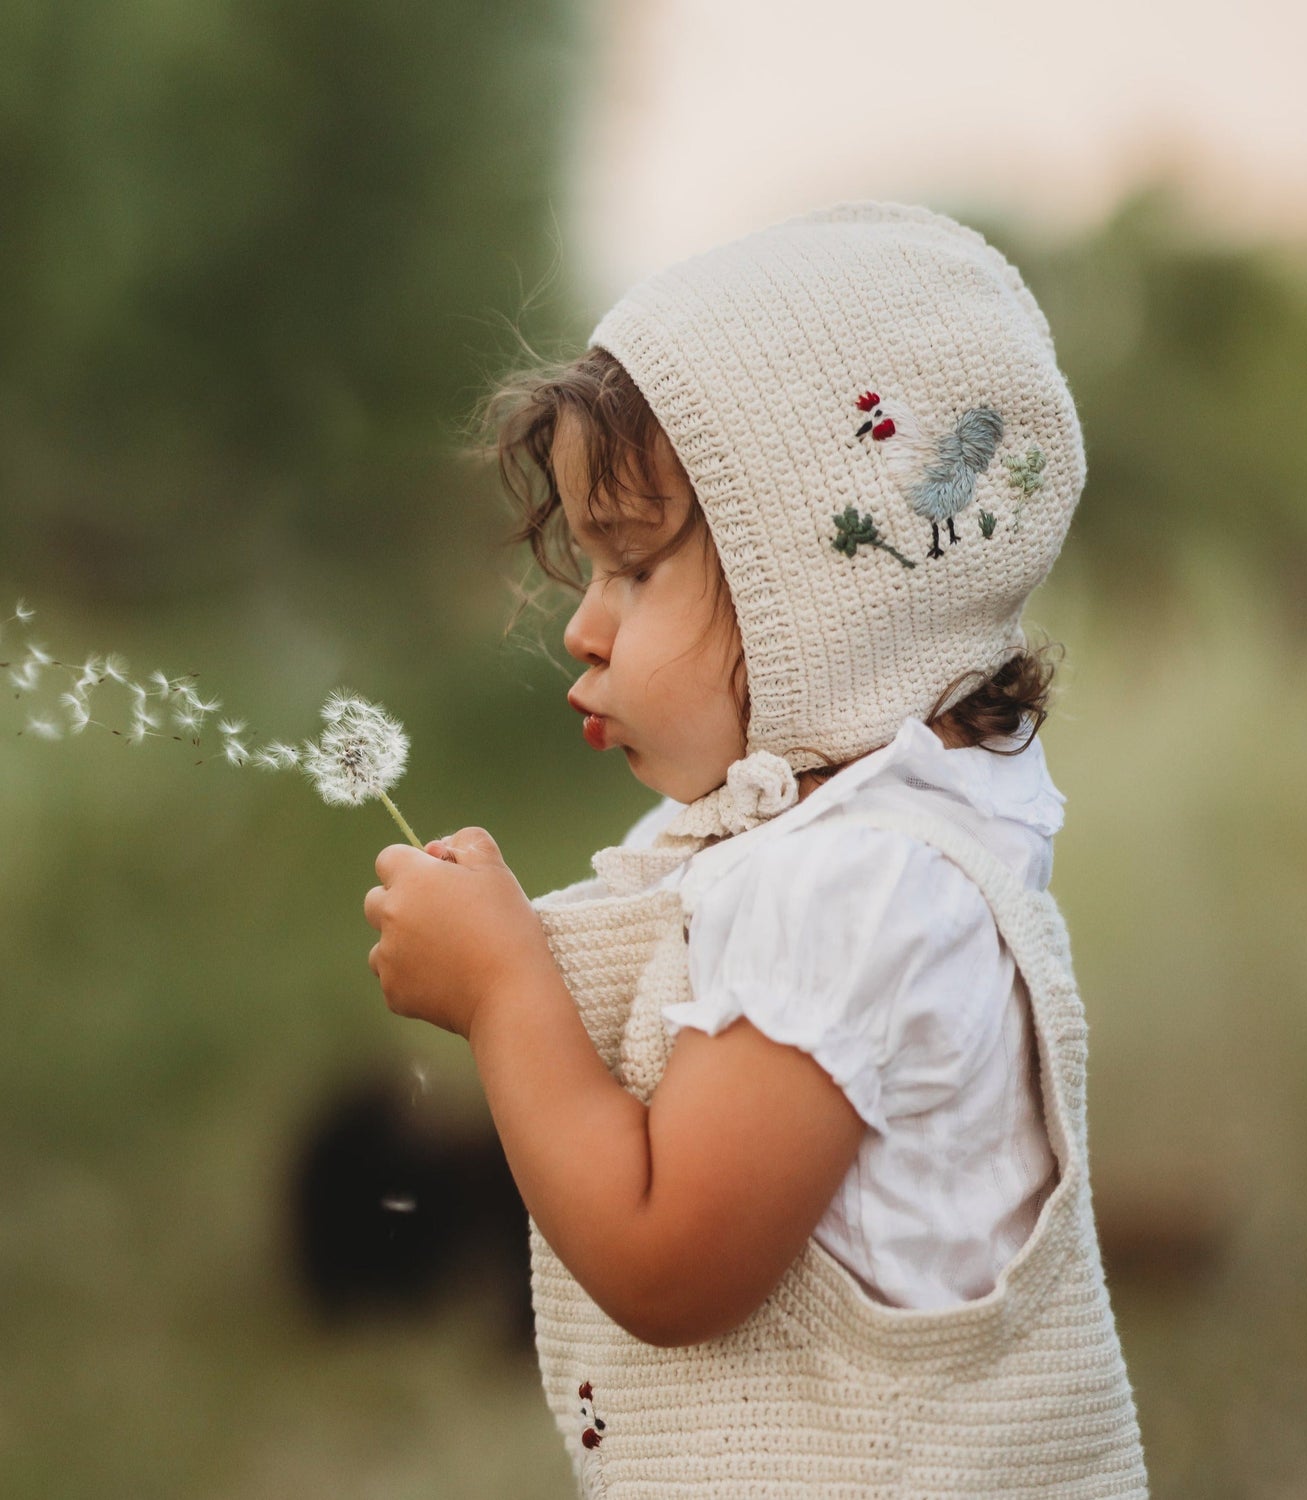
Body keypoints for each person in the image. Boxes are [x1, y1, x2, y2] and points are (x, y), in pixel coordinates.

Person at [363, 202, 1149, 1497]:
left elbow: (667, 1261)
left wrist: (504, 993)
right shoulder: (866, 841)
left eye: (632, 567)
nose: (582, 628)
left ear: (829, 602)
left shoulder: (849, 888)